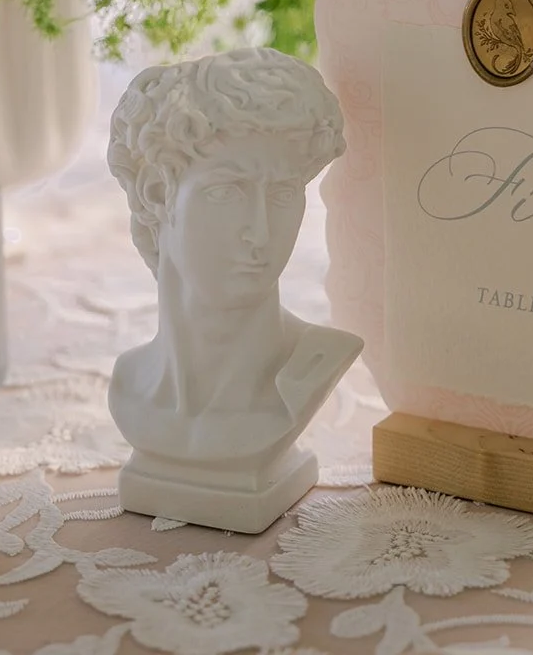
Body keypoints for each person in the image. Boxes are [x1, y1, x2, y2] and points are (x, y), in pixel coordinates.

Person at [107, 46, 362, 531]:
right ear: (157, 194)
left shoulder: (312, 366)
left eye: (284, 193)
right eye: (226, 192)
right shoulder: (131, 385)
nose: (260, 233)